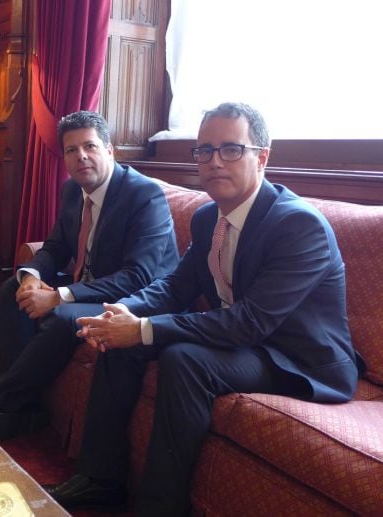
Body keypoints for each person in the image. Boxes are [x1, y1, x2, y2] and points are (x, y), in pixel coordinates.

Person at [46, 102, 366, 515]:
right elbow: (176, 287)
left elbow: (250, 323)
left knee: (186, 360)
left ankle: (160, 508)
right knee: (123, 339)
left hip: (298, 358)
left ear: (262, 156)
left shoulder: (297, 225)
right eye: (204, 150)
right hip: (247, 343)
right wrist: (122, 312)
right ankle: (100, 479)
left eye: (231, 149)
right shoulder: (207, 218)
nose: (214, 161)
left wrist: (145, 329)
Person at [0, 110, 179, 439]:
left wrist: (59, 296)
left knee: (63, 318)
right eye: (71, 150)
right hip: (91, 285)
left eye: (90, 146)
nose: (81, 157)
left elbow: (138, 276)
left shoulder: (143, 195)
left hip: (134, 299)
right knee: (11, 290)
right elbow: (56, 246)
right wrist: (30, 276)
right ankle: (24, 409)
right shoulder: (72, 191)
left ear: (110, 149)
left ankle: (0, 401)